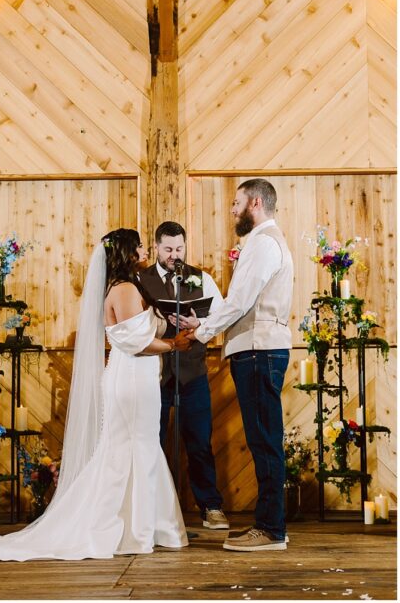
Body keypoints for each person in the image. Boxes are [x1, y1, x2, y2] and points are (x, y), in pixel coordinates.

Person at [0, 229, 191, 561]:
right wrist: (175, 344)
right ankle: (134, 529)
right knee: (131, 446)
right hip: (132, 378)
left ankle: (146, 526)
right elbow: (138, 343)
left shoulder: (125, 287)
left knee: (138, 444)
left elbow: (140, 334)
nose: (145, 249)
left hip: (136, 377)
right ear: (128, 252)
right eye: (140, 245)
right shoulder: (126, 289)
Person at [187, 179, 294, 552]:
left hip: (258, 351)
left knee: (264, 440)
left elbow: (239, 301)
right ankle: (271, 524)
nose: (232, 209)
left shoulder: (263, 243)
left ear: (256, 202)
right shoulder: (265, 241)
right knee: (264, 439)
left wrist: (201, 331)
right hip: (258, 349)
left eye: (237, 202)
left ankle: (269, 530)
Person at [138, 221, 229, 530]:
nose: (174, 255)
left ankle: (211, 506)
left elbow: (223, 315)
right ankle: (152, 507)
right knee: (153, 439)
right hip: (153, 374)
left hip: (193, 373)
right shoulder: (140, 280)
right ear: (156, 247)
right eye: (167, 249)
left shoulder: (201, 278)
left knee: (199, 440)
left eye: (179, 249)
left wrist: (197, 324)